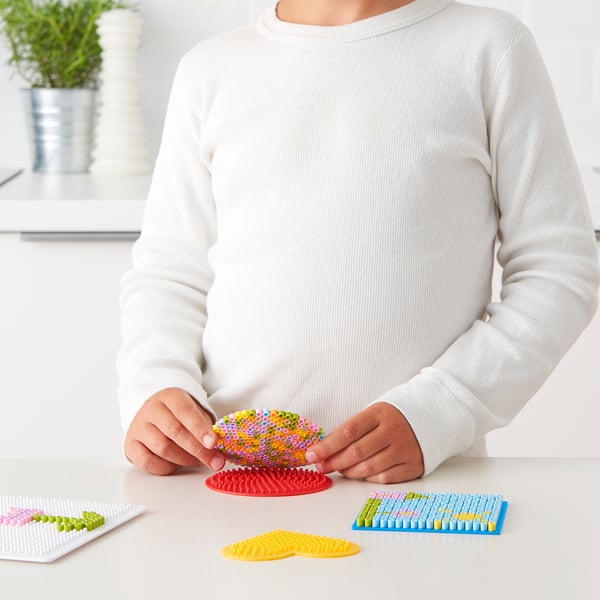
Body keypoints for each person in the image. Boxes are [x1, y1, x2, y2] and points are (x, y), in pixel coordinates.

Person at [117, 0, 600, 482]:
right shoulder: (210, 70)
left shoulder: (489, 47)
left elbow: (558, 268)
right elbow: (170, 273)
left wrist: (439, 410)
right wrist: (156, 384)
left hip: (419, 489)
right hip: (227, 479)